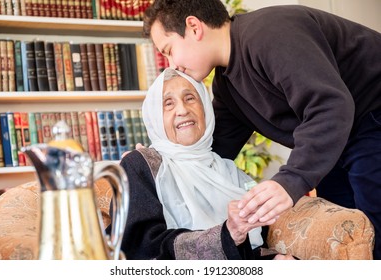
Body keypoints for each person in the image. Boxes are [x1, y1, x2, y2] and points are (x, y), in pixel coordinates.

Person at [142, 1, 381, 259]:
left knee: (376, 232)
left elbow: (330, 105)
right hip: (341, 137)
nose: (172, 64)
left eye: (168, 50)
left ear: (194, 27)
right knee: (345, 237)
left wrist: (290, 181)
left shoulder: (270, 33)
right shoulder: (228, 88)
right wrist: (153, 161)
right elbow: (212, 149)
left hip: (372, 115)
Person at [119, 68, 293, 260]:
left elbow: (252, 247)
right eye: (168, 103)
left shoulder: (227, 170)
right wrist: (226, 234)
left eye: (190, 98)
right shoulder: (139, 165)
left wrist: (274, 260)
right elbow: (140, 248)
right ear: (154, 118)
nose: (183, 110)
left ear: (205, 109)